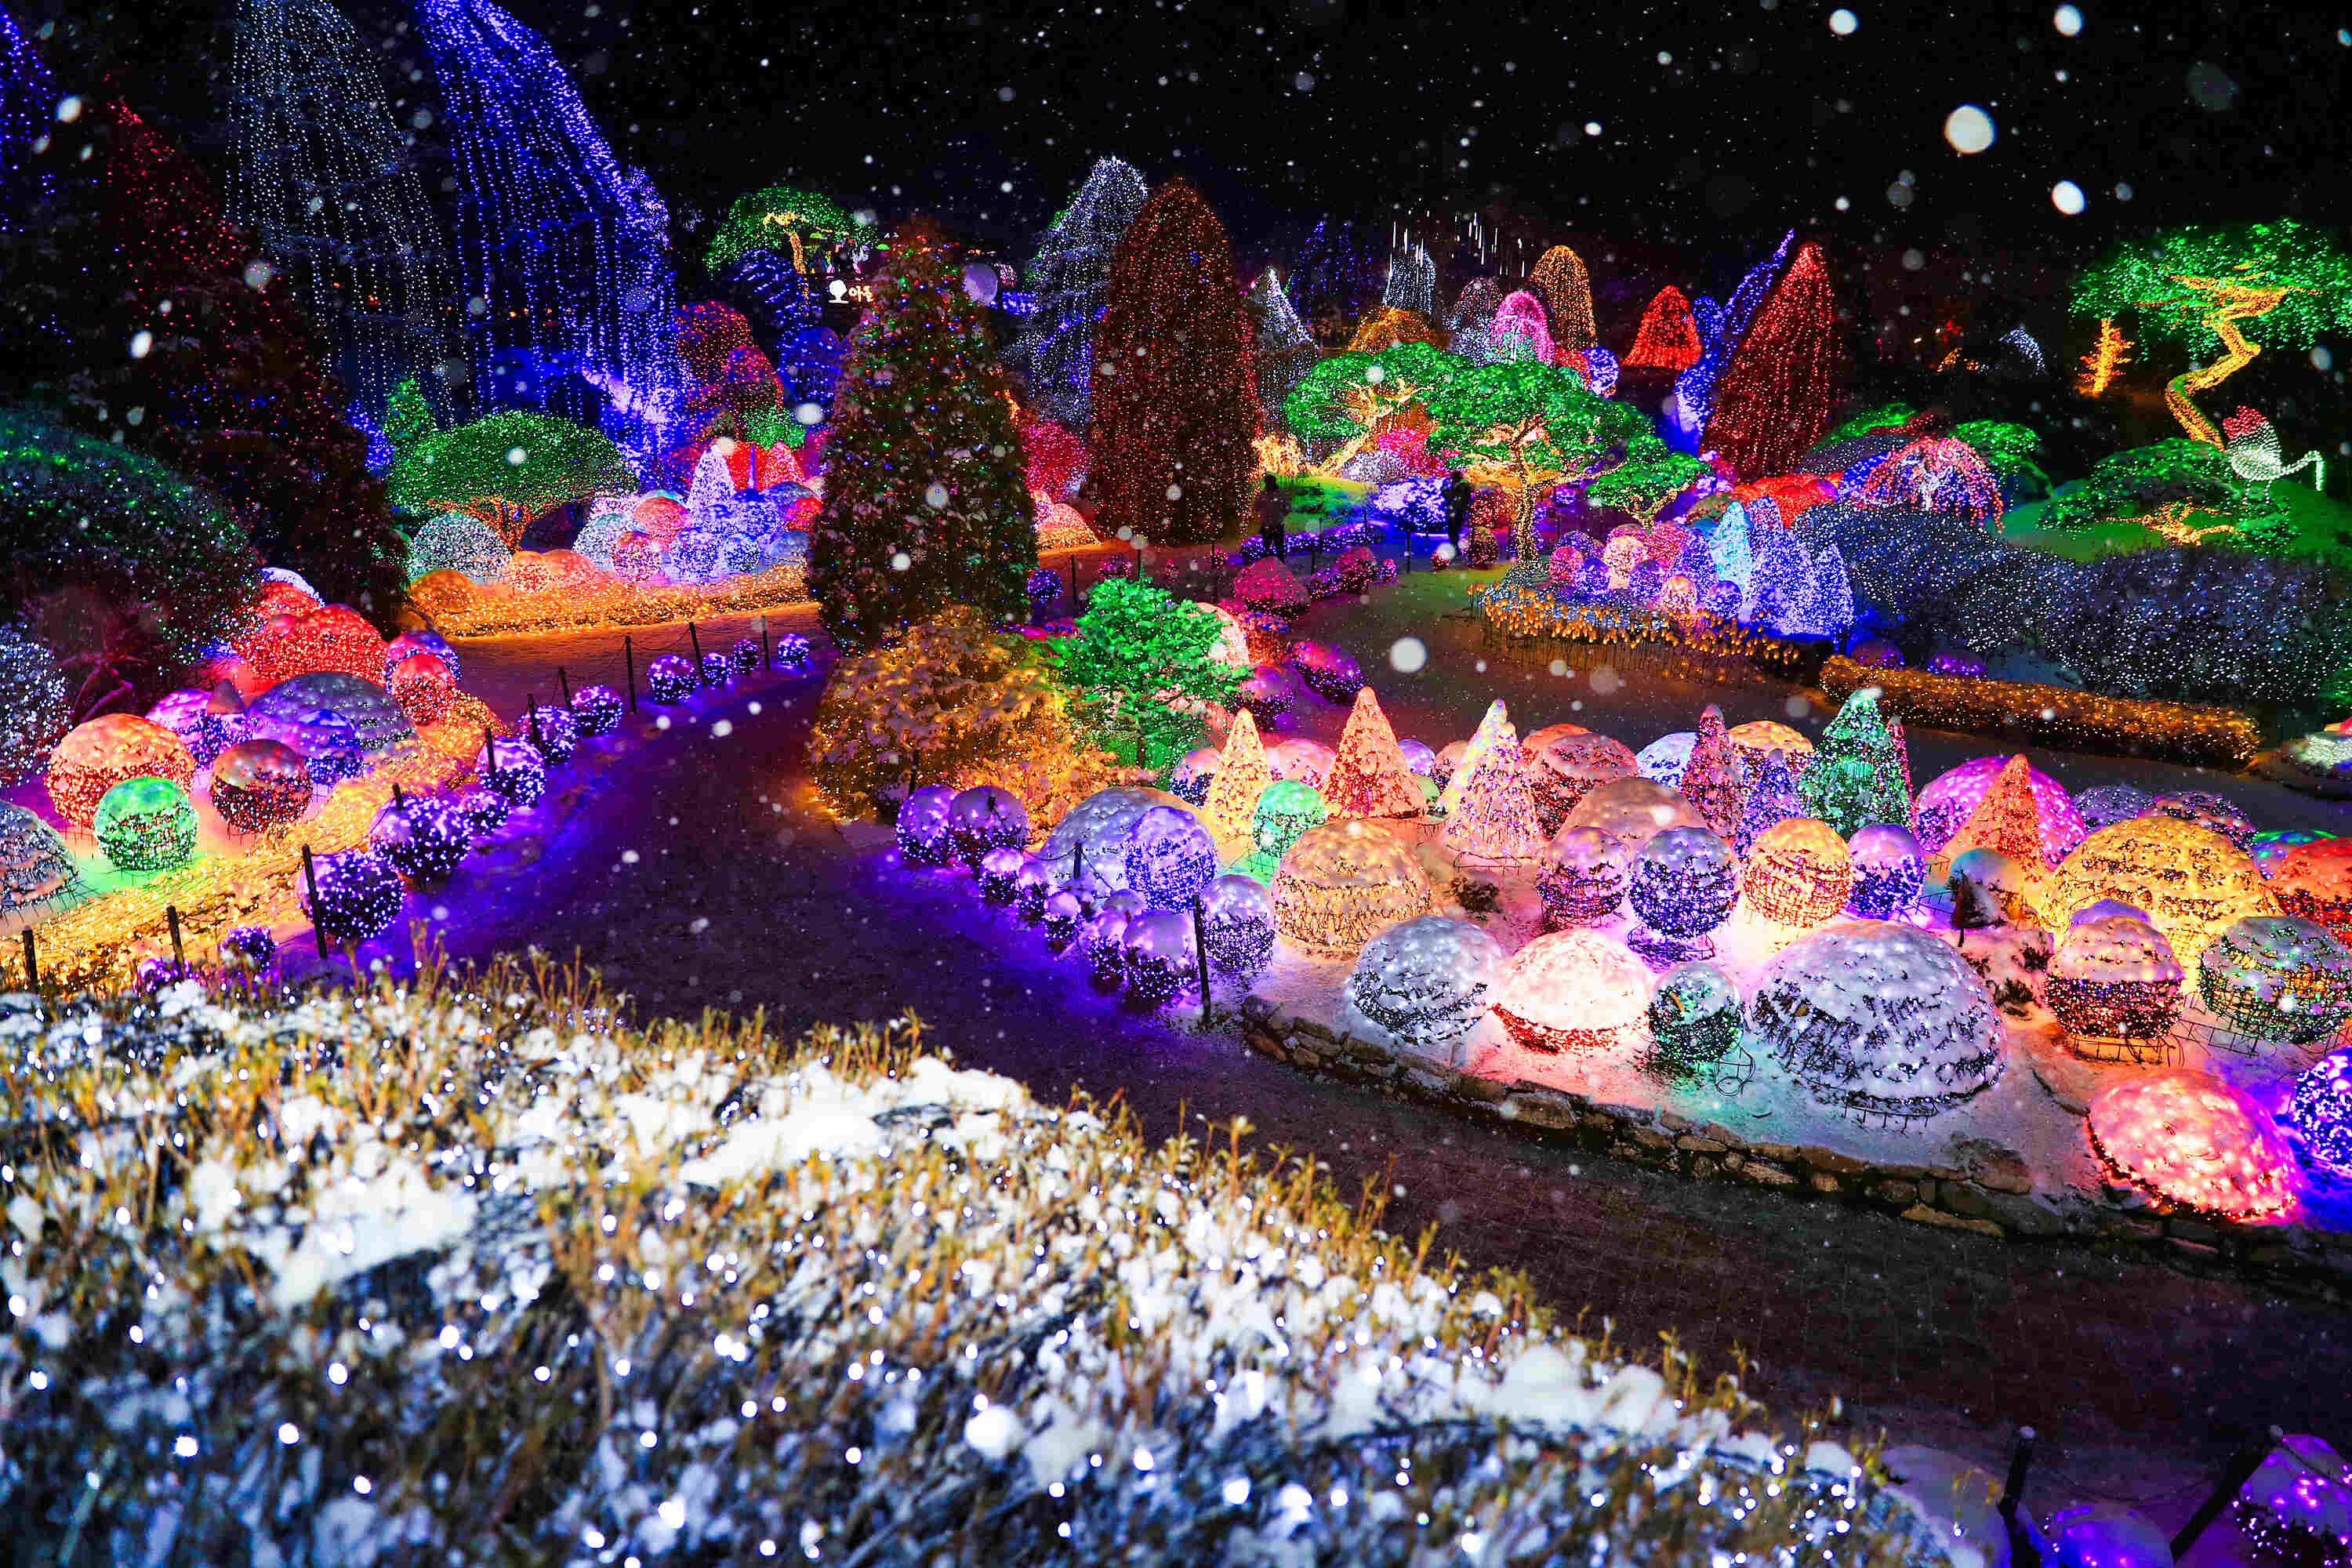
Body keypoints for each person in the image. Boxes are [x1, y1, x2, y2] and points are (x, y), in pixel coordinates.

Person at [1255, 473, 1289, 561]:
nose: (1269, 484)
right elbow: (1256, 507)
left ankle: (1279, 563)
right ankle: (1269, 563)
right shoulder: (1263, 495)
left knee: (1278, 547)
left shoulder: (1279, 494)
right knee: (1269, 547)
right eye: (1268, 482)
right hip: (1268, 524)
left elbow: (1287, 507)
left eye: (1270, 482)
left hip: (1276, 524)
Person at [1442, 469, 1472, 557]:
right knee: (1452, 530)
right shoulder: (1459, 486)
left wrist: (1445, 491)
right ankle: (1456, 548)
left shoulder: (1462, 487)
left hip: (1457, 511)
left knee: (1453, 530)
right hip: (1455, 511)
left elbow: (1452, 497)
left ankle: (1456, 549)